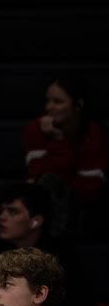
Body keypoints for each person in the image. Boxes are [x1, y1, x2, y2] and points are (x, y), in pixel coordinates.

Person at [23, 73, 105, 236]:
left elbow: (90, 187)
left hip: (81, 207)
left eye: (58, 101)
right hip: (45, 204)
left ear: (78, 105)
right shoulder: (35, 128)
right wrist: (59, 141)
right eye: (48, 101)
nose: (49, 107)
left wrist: (59, 143)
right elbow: (41, 177)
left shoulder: (93, 133)